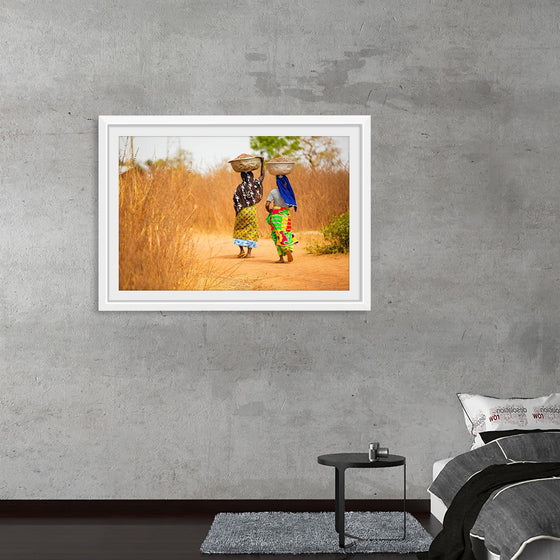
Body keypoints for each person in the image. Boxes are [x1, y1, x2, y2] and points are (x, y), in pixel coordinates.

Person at [232, 157, 264, 258]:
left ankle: (241, 250)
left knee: (238, 229)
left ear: (242, 177)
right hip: (251, 211)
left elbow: (235, 200)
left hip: (242, 211)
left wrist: (237, 212)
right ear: (251, 176)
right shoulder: (254, 184)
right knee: (251, 230)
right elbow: (262, 175)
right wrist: (262, 162)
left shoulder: (239, 187)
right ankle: (249, 253)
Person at [265, 174, 298, 263]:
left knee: (277, 234)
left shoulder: (273, 192)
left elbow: (267, 204)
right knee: (286, 232)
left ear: (276, 182)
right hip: (285, 215)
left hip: (276, 215)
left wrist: (269, 211)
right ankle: (288, 249)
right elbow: (291, 204)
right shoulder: (288, 192)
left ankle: (281, 258)